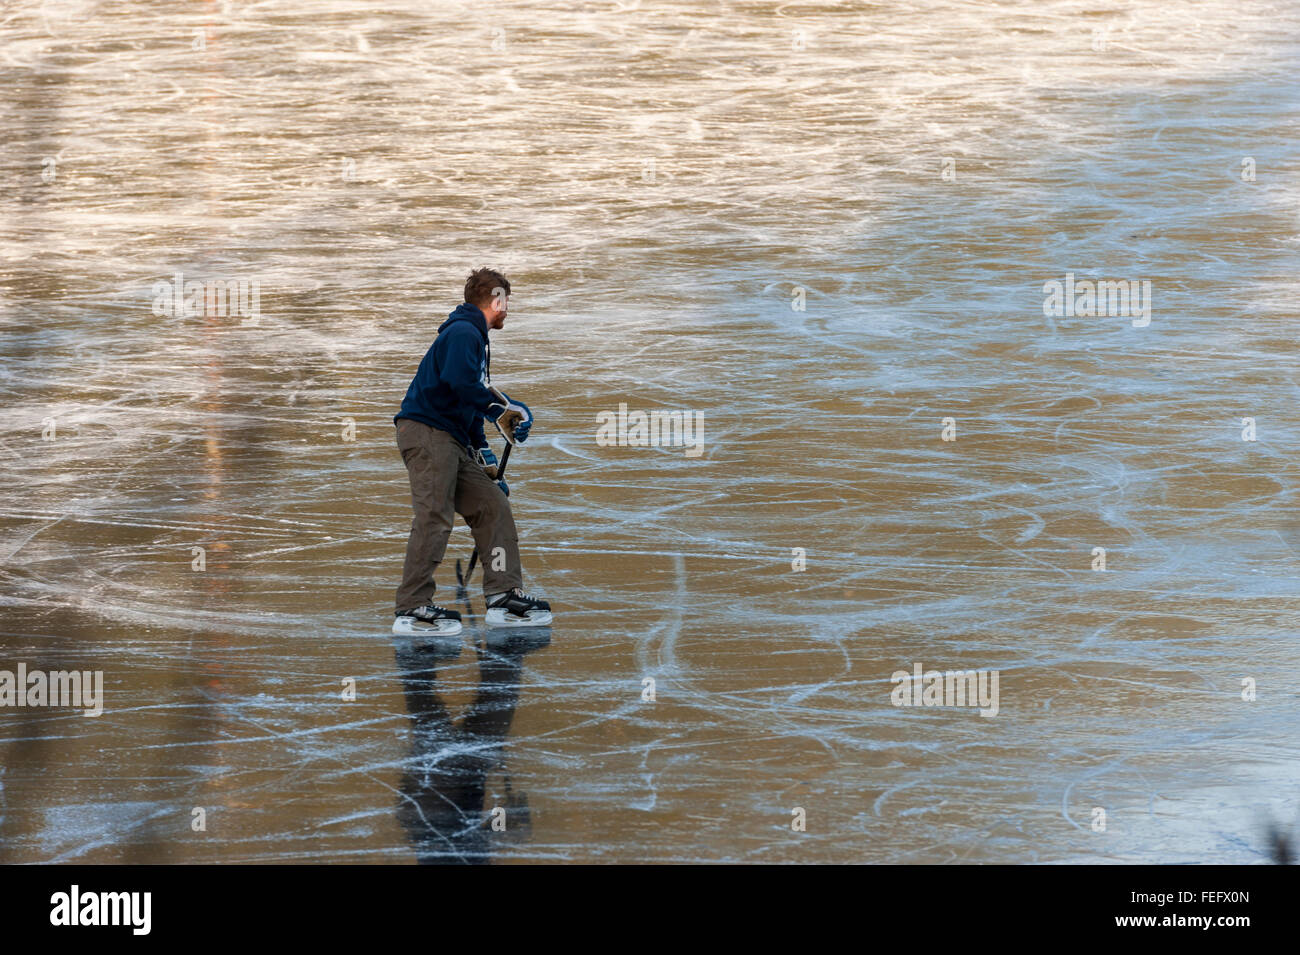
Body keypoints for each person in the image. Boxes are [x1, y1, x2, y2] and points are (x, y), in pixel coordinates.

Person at [392, 268, 552, 634]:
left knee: (491, 504)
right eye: (506, 302)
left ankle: (502, 596)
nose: (508, 310)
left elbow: (466, 403)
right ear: (495, 300)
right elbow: (461, 383)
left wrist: (485, 458)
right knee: (434, 516)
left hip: (450, 436)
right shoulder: (465, 332)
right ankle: (412, 606)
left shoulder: (474, 338)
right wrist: (501, 411)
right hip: (428, 433)